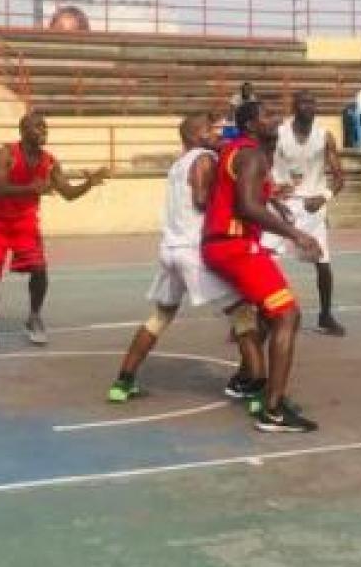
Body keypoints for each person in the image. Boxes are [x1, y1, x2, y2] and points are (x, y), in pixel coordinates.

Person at [108, 113, 266, 403]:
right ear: (194, 136)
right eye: (209, 130)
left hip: (170, 250)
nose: (215, 134)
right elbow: (201, 200)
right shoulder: (204, 158)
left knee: (160, 317)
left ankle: (123, 382)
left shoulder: (176, 166)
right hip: (192, 251)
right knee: (243, 315)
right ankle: (259, 395)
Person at [202, 100, 323, 432]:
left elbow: (245, 195)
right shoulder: (252, 155)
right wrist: (295, 233)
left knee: (270, 315)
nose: (277, 119)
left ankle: (247, 380)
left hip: (222, 244)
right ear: (251, 125)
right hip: (235, 245)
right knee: (288, 314)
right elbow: (247, 206)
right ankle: (273, 410)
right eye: (268, 115)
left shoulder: (235, 150)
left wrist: (274, 199)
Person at [0, 111, 109, 352]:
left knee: (39, 270)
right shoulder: (6, 153)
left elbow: (67, 194)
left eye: (45, 128)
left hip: (24, 223)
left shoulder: (49, 162)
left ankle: (34, 316)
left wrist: (89, 184)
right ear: (23, 131)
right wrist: (32, 188)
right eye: (38, 127)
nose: (43, 131)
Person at [262, 91, 348, 336]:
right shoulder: (278, 134)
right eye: (304, 102)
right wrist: (273, 197)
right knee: (265, 260)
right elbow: (263, 168)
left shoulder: (325, 137)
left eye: (312, 102)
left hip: (312, 206)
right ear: (294, 106)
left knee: (322, 262)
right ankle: (258, 314)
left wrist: (324, 198)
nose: (309, 107)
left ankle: (325, 315)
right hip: (281, 203)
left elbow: (340, 178)